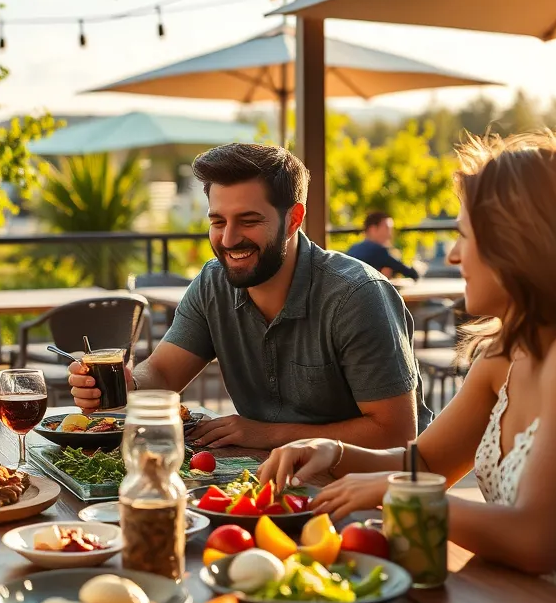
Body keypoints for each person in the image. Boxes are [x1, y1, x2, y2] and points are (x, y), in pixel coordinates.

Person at [259, 131, 556, 603]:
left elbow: (537, 538)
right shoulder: (505, 354)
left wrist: (396, 490)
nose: (454, 255)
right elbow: (426, 462)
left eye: (465, 236)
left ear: (518, 243)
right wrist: (334, 453)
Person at [70, 142, 429, 450]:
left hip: (372, 496)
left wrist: (267, 434)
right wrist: (124, 384)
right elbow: (162, 373)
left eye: (248, 220)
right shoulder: (214, 284)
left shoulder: (355, 296)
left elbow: (395, 435)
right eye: (218, 221)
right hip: (267, 478)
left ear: (293, 219)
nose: (228, 240)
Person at [346, 211, 420, 280]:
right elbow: (411, 274)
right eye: (387, 228)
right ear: (373, 229)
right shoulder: (378, 251)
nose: (390, 235)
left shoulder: (353, 249)